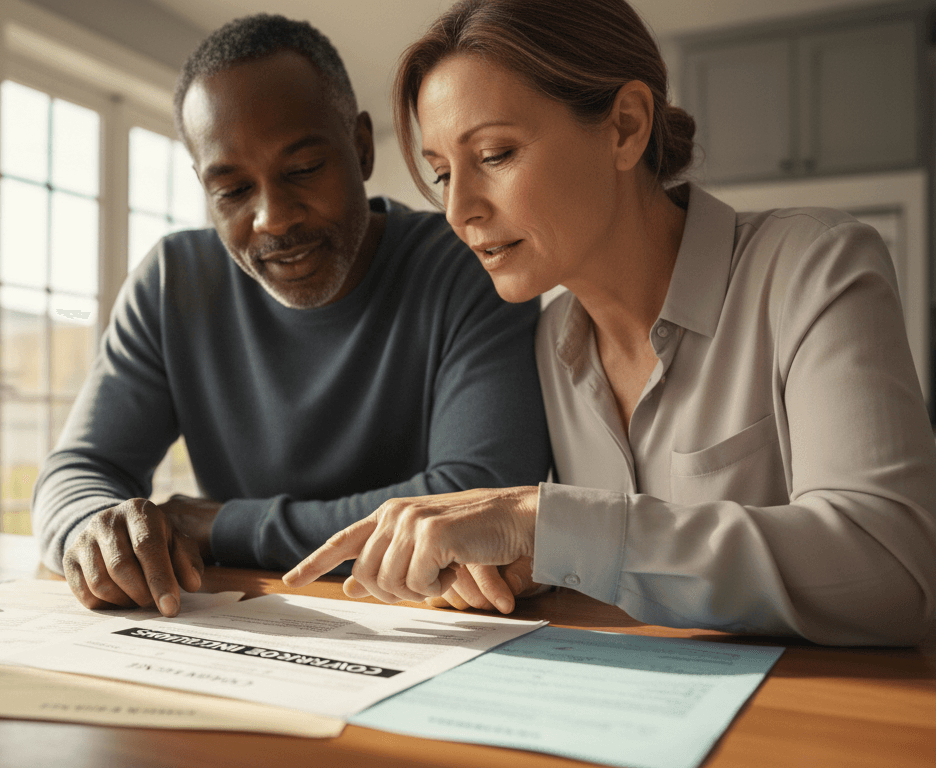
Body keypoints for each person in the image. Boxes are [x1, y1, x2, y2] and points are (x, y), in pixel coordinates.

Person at [285, 0, 936, 646]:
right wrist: (532, 565)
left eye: (494, 155)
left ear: (625, 126)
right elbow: (614, 567)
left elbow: (888, 571)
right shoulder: (552, 341)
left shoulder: (814, 267)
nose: (460, 211)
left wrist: (545, 525)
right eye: (441, 173)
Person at [34, 13, 552, 618]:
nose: (272, 218)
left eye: (303, 170)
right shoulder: (174, 280)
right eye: (232, 190)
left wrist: (222, 525)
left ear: (360, 148)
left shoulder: (468, 262)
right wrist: (93, 530)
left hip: (429, 621)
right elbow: (80, 470)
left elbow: (477, 499)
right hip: (245, 623)